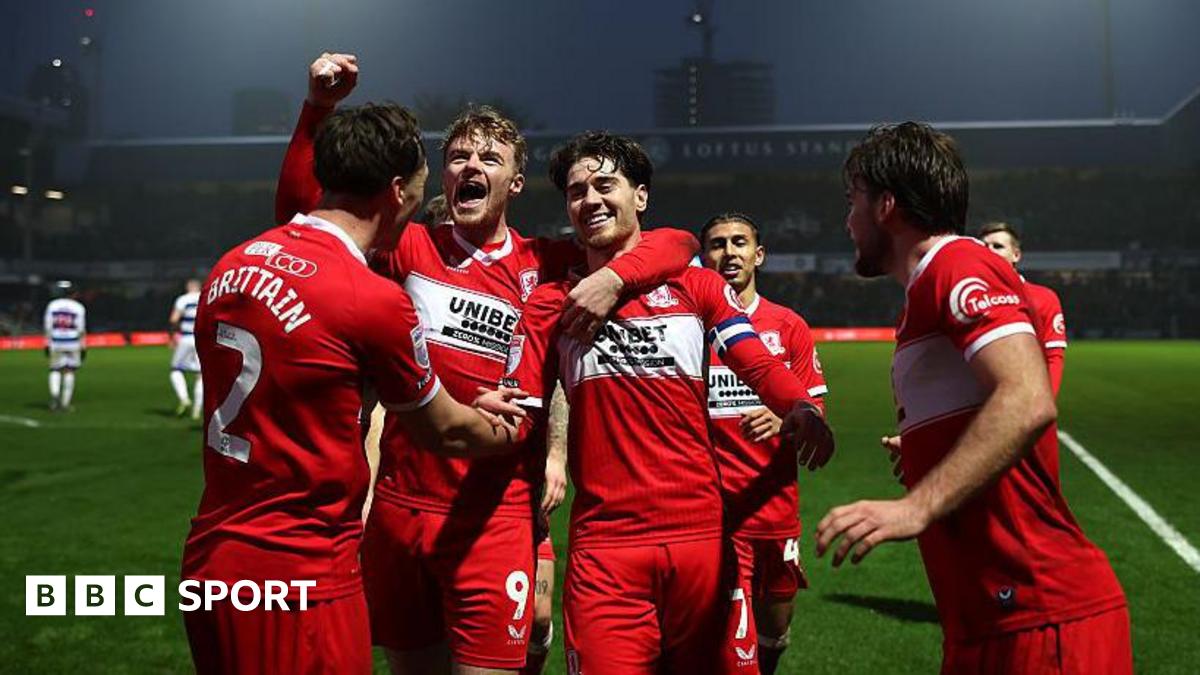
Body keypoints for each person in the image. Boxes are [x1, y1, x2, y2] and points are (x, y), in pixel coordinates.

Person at [275, 53, 699, 675]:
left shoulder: (547, 263)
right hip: (401, 507)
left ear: (515, 184)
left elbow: (677, 243)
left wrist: (613, 280)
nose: (471, 167)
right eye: (458, 158)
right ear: (443, 175)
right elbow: (304, 212)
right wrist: (316, 110)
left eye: (489, 159)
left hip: (495, 514)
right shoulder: (409, 246)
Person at [182, 100, 527, 675]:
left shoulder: (232, 264)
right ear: (398, 192)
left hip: (212, 558)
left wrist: (315, 108)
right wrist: (513, 430)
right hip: (302, 568)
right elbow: (444, 429)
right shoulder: (370, 299)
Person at [499, 131, 834, 673]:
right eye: (577, 191)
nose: (590, 200)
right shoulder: (553, 303)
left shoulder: (694, 284)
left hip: (701, 539)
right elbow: (522, 410)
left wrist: (799, 405)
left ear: (641, 196)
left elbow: (753, 357)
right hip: (605, 551)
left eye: (605, 185)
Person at [815, 122, 1130, 674]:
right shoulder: (922, 294)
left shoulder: (957, 264)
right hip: (985, 620)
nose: (847, 220)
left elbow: (1029, 397)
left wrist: (919, 503)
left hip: (1040, 613)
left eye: (852, 201)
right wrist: (927, 452)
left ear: (886, 205)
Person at [699, 213, 827, 674]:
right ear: (702, 257)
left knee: (775, 630)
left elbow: (815, 409)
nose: (728, 252)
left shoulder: (787, 325)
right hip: (717, 512)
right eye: (716, 244)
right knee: (734, 648)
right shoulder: (693, 329)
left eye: (739, 242)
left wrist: (785, 416)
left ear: (759, 254)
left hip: (775, 509)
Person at [979, 221, 1068, 395]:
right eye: (984, 246)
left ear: (1016, 255)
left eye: (998, 246)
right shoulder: (969, 298)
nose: (989, 251)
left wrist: (1042, 407)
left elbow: (1053, 358)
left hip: (1029, 404)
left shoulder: (1044, 298)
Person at [44, 280, 86, 412]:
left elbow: (48, 325)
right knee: (69, 370)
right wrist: (83, 346)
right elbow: (81, 328)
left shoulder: (52, 305)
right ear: (73, 293)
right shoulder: (78, 307)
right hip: (72, 341)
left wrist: (46, 343)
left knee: (54, 369)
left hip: (56, 340)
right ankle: (65, 403)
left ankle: (54, 398)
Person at [168, 278, 204, 419]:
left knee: (175, 369)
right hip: (201, 340)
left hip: (186, 338)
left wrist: (172, 337)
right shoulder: (205, 297)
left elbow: (173, 319)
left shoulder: (183, 299)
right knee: (201, 375)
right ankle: (197, 410)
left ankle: (184, 398)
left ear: (188, 287)